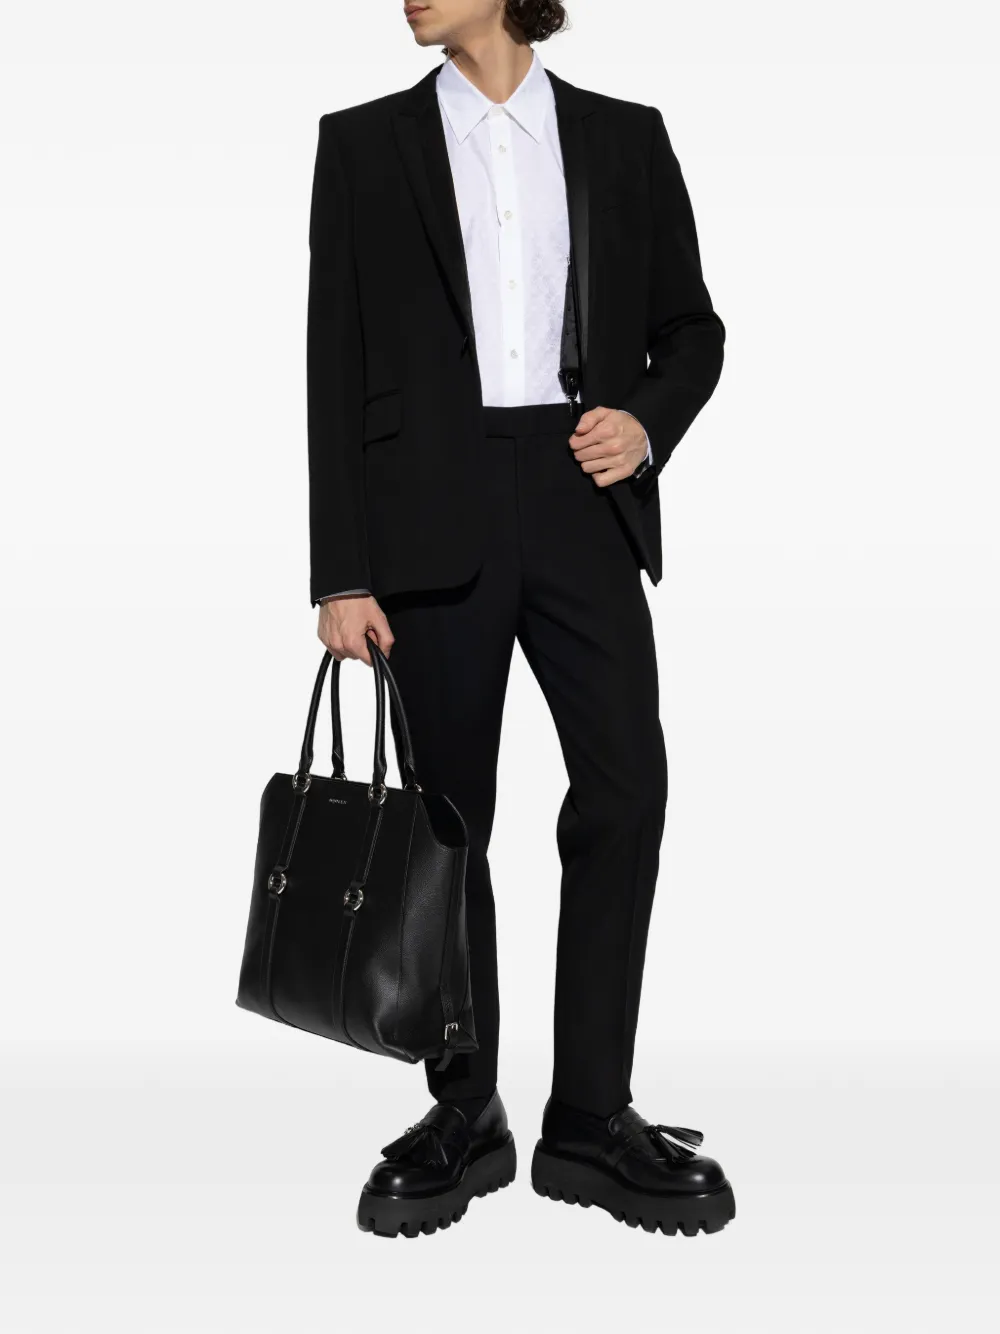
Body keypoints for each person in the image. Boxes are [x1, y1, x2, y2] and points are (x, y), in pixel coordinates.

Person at [308, 0, 735, 1238]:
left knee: (625, 789)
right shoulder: (362, 144)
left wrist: (644, 421)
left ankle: (589, 1116)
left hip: (579, 496)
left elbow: (692, 328)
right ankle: (466, 1108)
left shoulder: (622, 136)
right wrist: (341, 571)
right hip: (425, 517)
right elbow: (334, 357)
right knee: (448, 825)